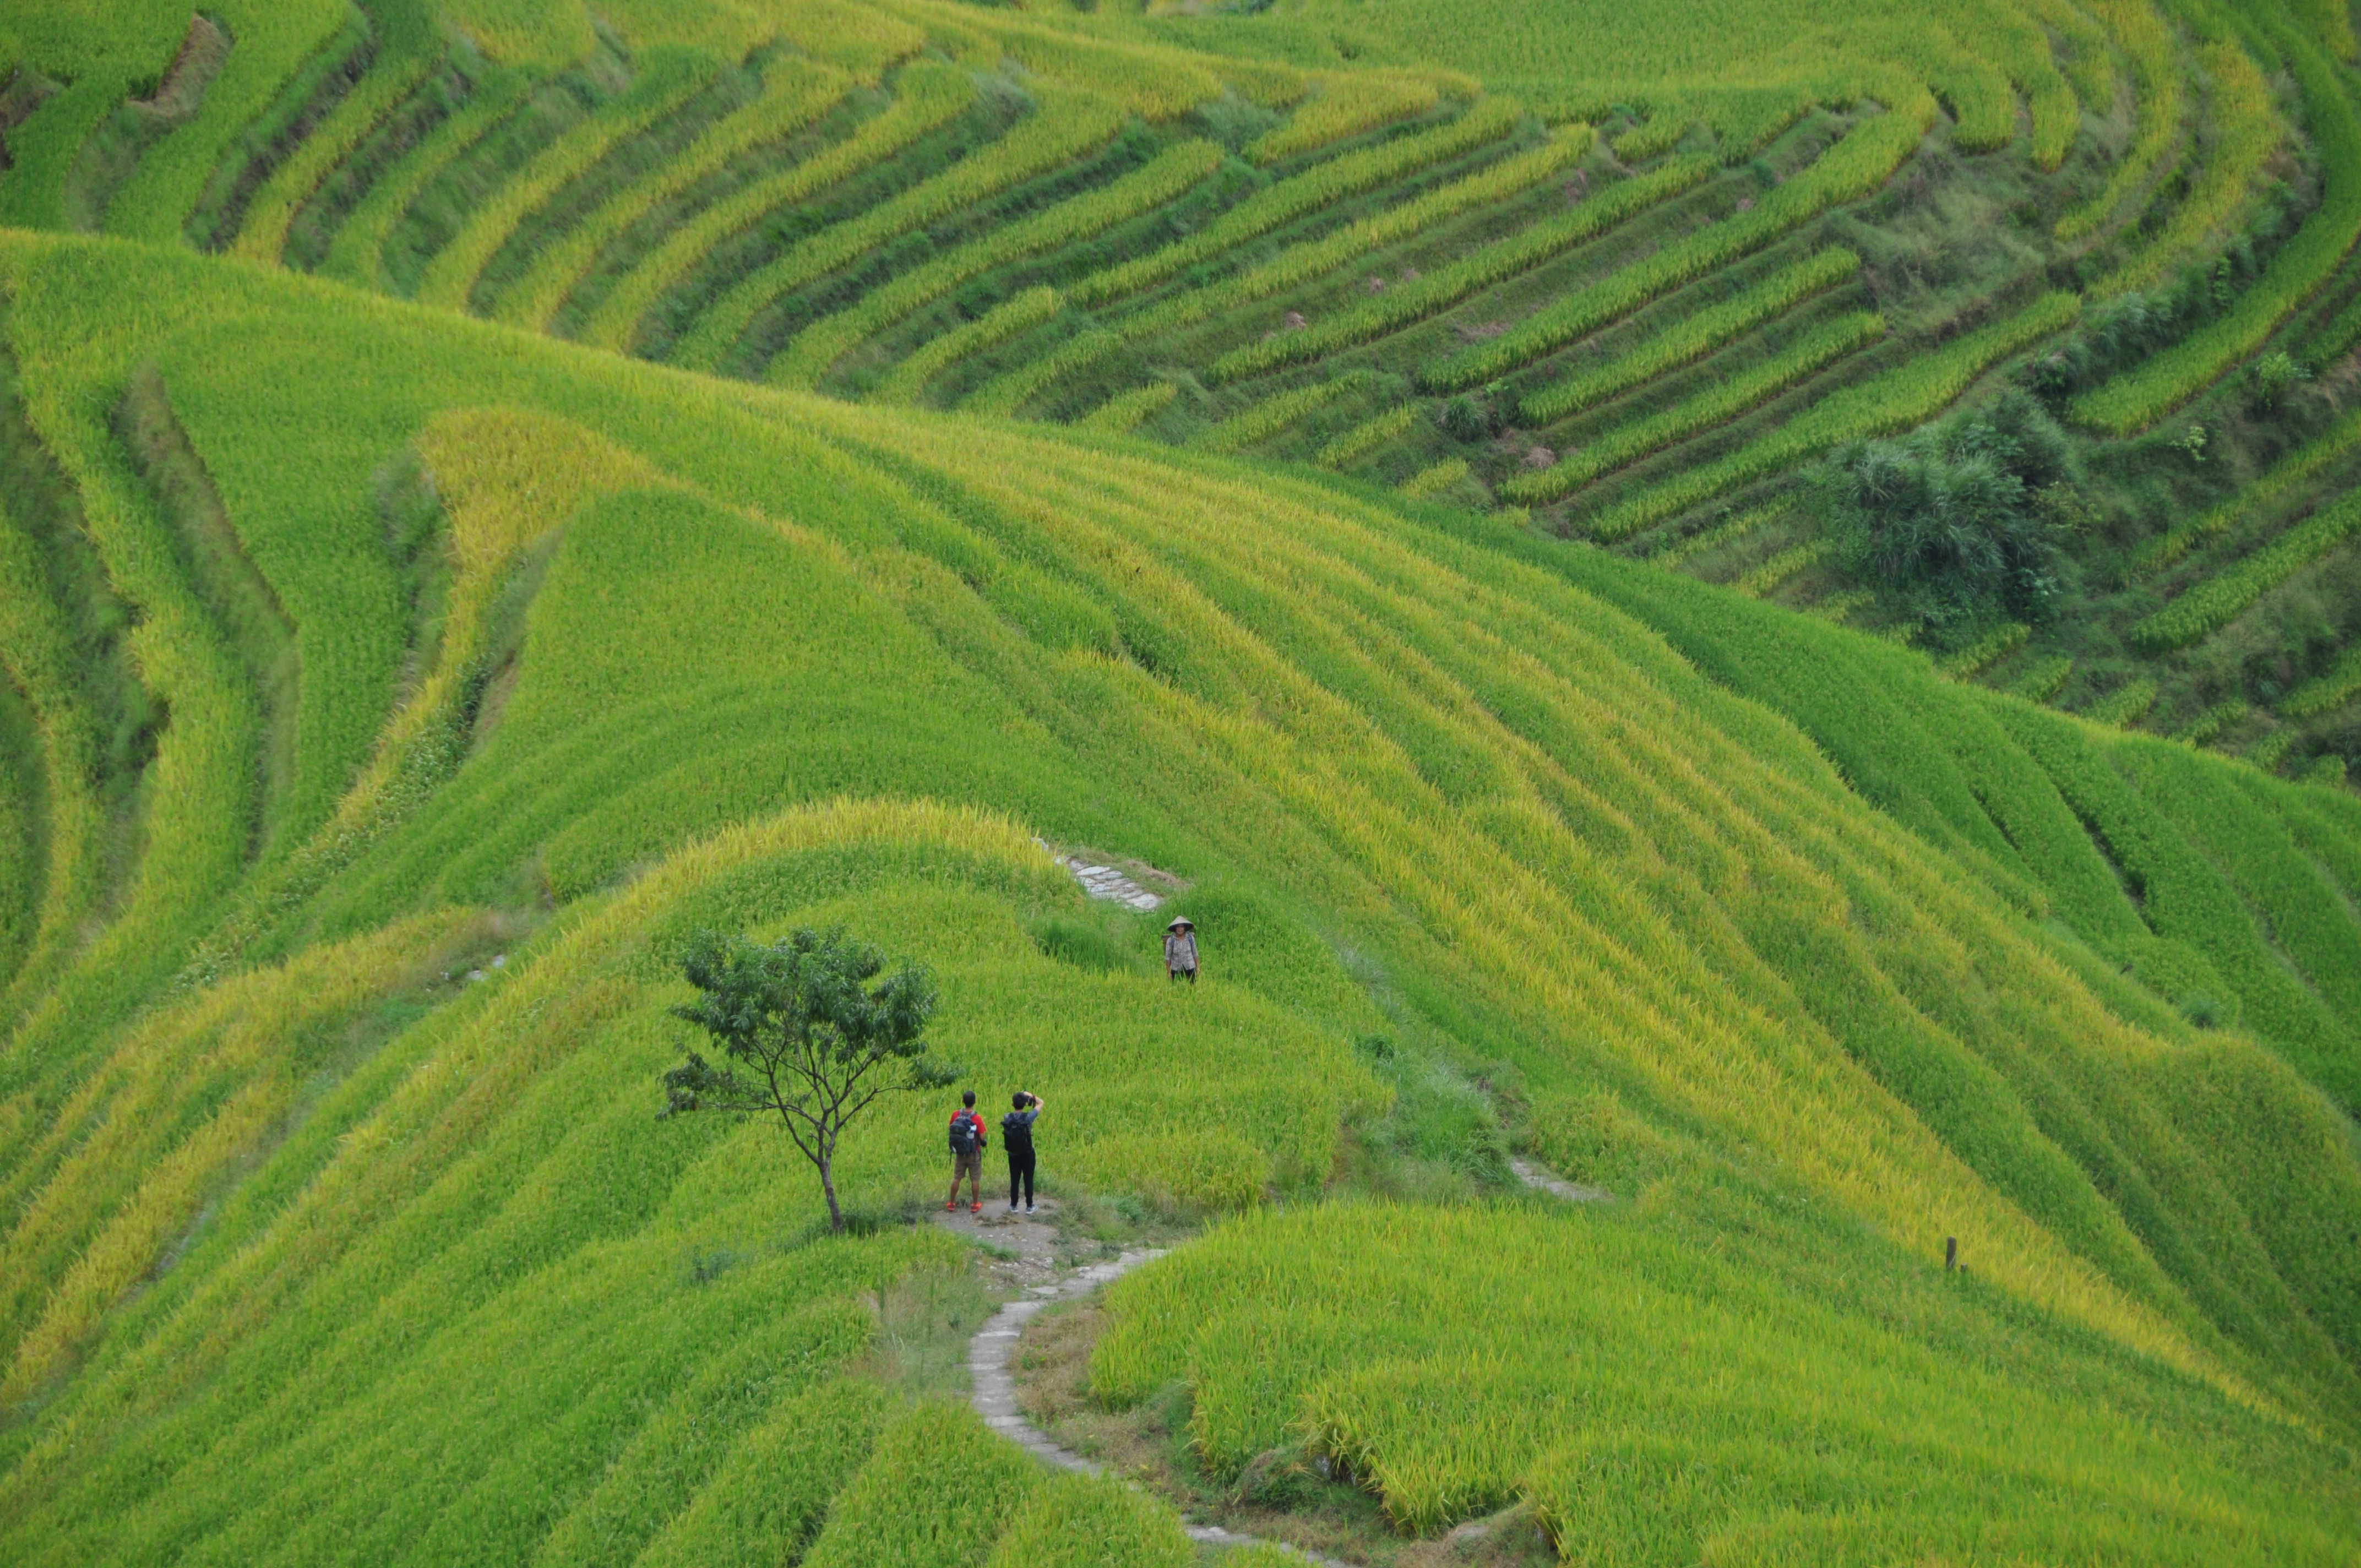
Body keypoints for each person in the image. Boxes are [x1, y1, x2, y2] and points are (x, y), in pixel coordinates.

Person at [945, 1090, 987, 1213]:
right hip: (973, 1154)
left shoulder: (956, 1114)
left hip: (959, 1152)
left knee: (957, 1178)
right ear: (975, 1102)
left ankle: (952, 1203)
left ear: (963, 1101)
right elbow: (983, 1137)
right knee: (975, 1179)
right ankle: (975, 1205)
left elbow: (951, 1128)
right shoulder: (977, 1118)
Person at [1003, 1091, 1044, 1214]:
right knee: (1028, 1179)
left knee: (1014, 1179)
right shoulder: (1028, 1117)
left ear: (1012, 1104)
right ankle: (1029, 1206)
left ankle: (1014, 1205)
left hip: (1013, 1153)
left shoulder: (1007, 1117)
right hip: (1027, 1153)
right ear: (1026, 1104)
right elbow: (1042, 1103)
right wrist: (1030, 1095)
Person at [1164, 916, 1198, 984]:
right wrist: (1168, 972)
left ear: (1185, 928)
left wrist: (1198, 967)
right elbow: (1168, 957)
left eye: (1182, 927)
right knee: (1176, 987)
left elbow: (1195, 953)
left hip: (1190, 966)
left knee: (1192, 986)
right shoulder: (1171, 940)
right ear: (1175, 928)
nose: (1180, 929)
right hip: (1176, 968)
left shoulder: (1190, 938)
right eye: (1178, 927)